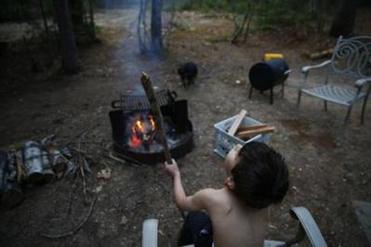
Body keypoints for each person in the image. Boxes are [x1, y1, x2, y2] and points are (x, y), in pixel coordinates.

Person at [164, 141, 289, 247]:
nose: (238, 146)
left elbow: (181, 202)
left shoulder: (213, 199)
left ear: (230, 182)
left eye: (237, 154)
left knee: (195, 218)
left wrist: (176, 174)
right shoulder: (264, 196)